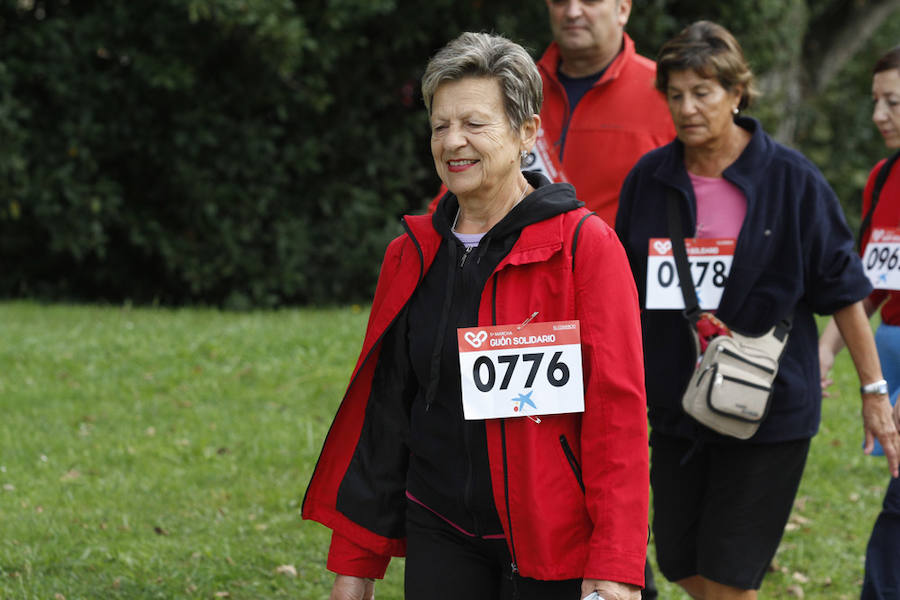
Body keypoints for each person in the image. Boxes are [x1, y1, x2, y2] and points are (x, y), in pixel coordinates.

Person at [303, 32, 649, 600]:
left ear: (526, 132)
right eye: (440, 125)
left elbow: (618, 417)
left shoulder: (586, 247)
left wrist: (614, 567)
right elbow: (386, 414)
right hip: (440, 528)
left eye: (474, 124)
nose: (453, 142)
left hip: (554, 543)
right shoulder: (410, 254)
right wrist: (355, 566)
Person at [615, 21, 900, 600]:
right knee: (681, 563)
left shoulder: (791, 179)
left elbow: (845, 288)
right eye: (675, 94)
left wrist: (873, 393)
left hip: (767, 409)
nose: (688, 108)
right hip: (676, 405)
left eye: (703, 92)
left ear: (737, 92)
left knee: (727, 574)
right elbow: (618, 286)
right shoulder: (650, 180)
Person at [427, 0, 675, 229]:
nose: (572, 11)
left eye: (589, 0)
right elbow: (456, 191)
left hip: (624, 270)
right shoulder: (505, 88)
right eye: (560, 0)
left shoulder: (669, 95)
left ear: (622, 8)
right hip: (513, 266)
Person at [818, 45, 900, 600]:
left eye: (892, 102)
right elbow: (868, 280)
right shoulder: (883, 175)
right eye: (876, 101)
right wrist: (827, 349)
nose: (878, 116)